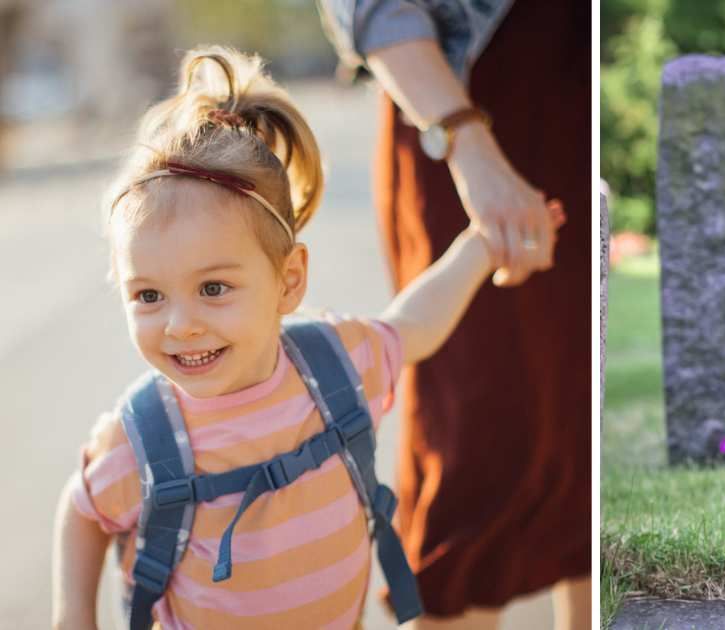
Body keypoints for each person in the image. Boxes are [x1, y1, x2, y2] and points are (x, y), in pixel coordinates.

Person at [49, 45, 561, 630]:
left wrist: (479, 247)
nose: (179, 324)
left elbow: (413, 327)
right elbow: (84, 511)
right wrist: (74, 618)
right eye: (148, 296)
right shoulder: (141, 438)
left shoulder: (335, 366)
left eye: (214, 288)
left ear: (288, 280)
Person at [318, 2, 591, 629]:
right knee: (475, 452)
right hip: (467, 104)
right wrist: (467, 142)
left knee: (580, 442)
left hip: (577, 94)